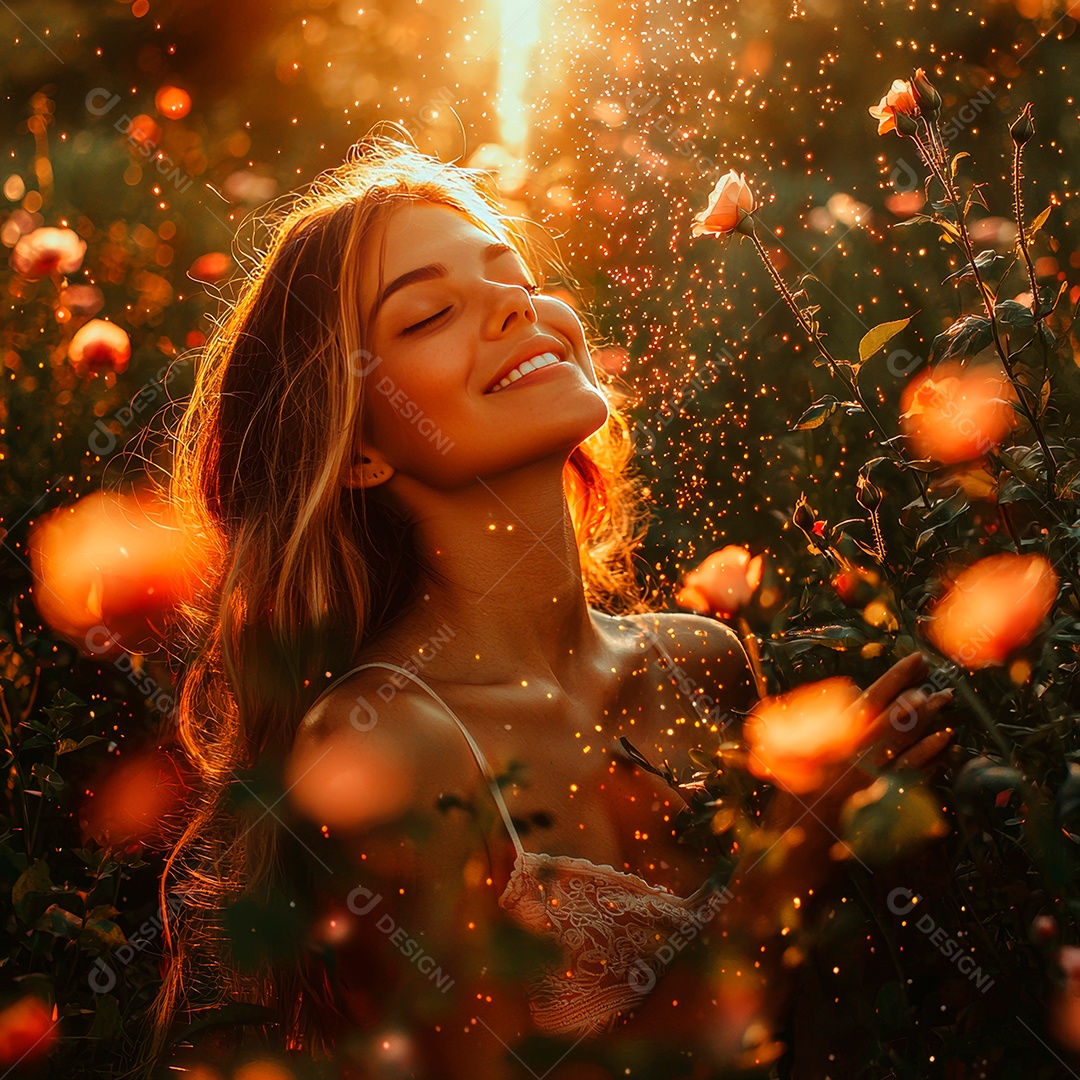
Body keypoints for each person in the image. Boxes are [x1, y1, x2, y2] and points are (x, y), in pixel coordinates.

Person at [148, 135, 953, 1079]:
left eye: (514, 278)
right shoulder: (384, 746)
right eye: (432, 313)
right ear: (360, 444)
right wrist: (789, 858)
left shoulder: (700, 660)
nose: (509, 306)